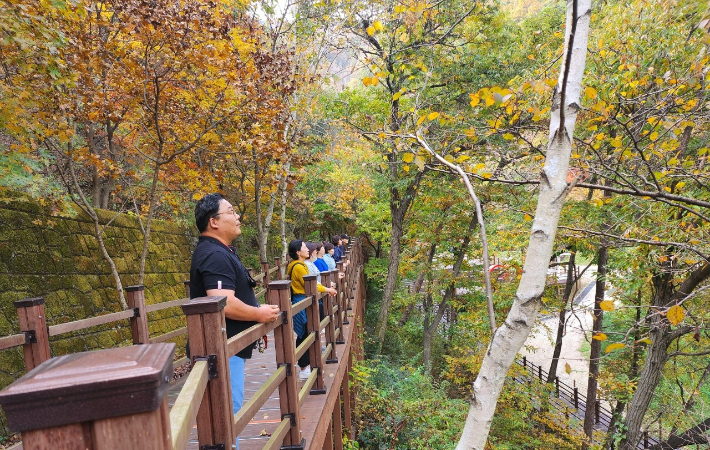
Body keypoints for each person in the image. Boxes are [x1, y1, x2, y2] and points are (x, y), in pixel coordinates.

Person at [190, 193, 280, 449]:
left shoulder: (219, 251)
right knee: (226, 414)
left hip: (226, 348)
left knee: (229, 411)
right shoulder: (214, 254)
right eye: (231, 211)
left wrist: (255, 307)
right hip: (221, 350)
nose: (237, 216)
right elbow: (222, 300)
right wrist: (258, 314)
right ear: (214, 222)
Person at [287, 239, 336, 380]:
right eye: (304, 247)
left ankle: (307, 364)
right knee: (304, 334)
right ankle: (303, 367)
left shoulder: (300, 265)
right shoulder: (298, 267)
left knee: (308, 332)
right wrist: (327, 289)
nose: (307, 249)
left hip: (305, 300)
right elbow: (312, 283)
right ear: (298, 252)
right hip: (302, 300)